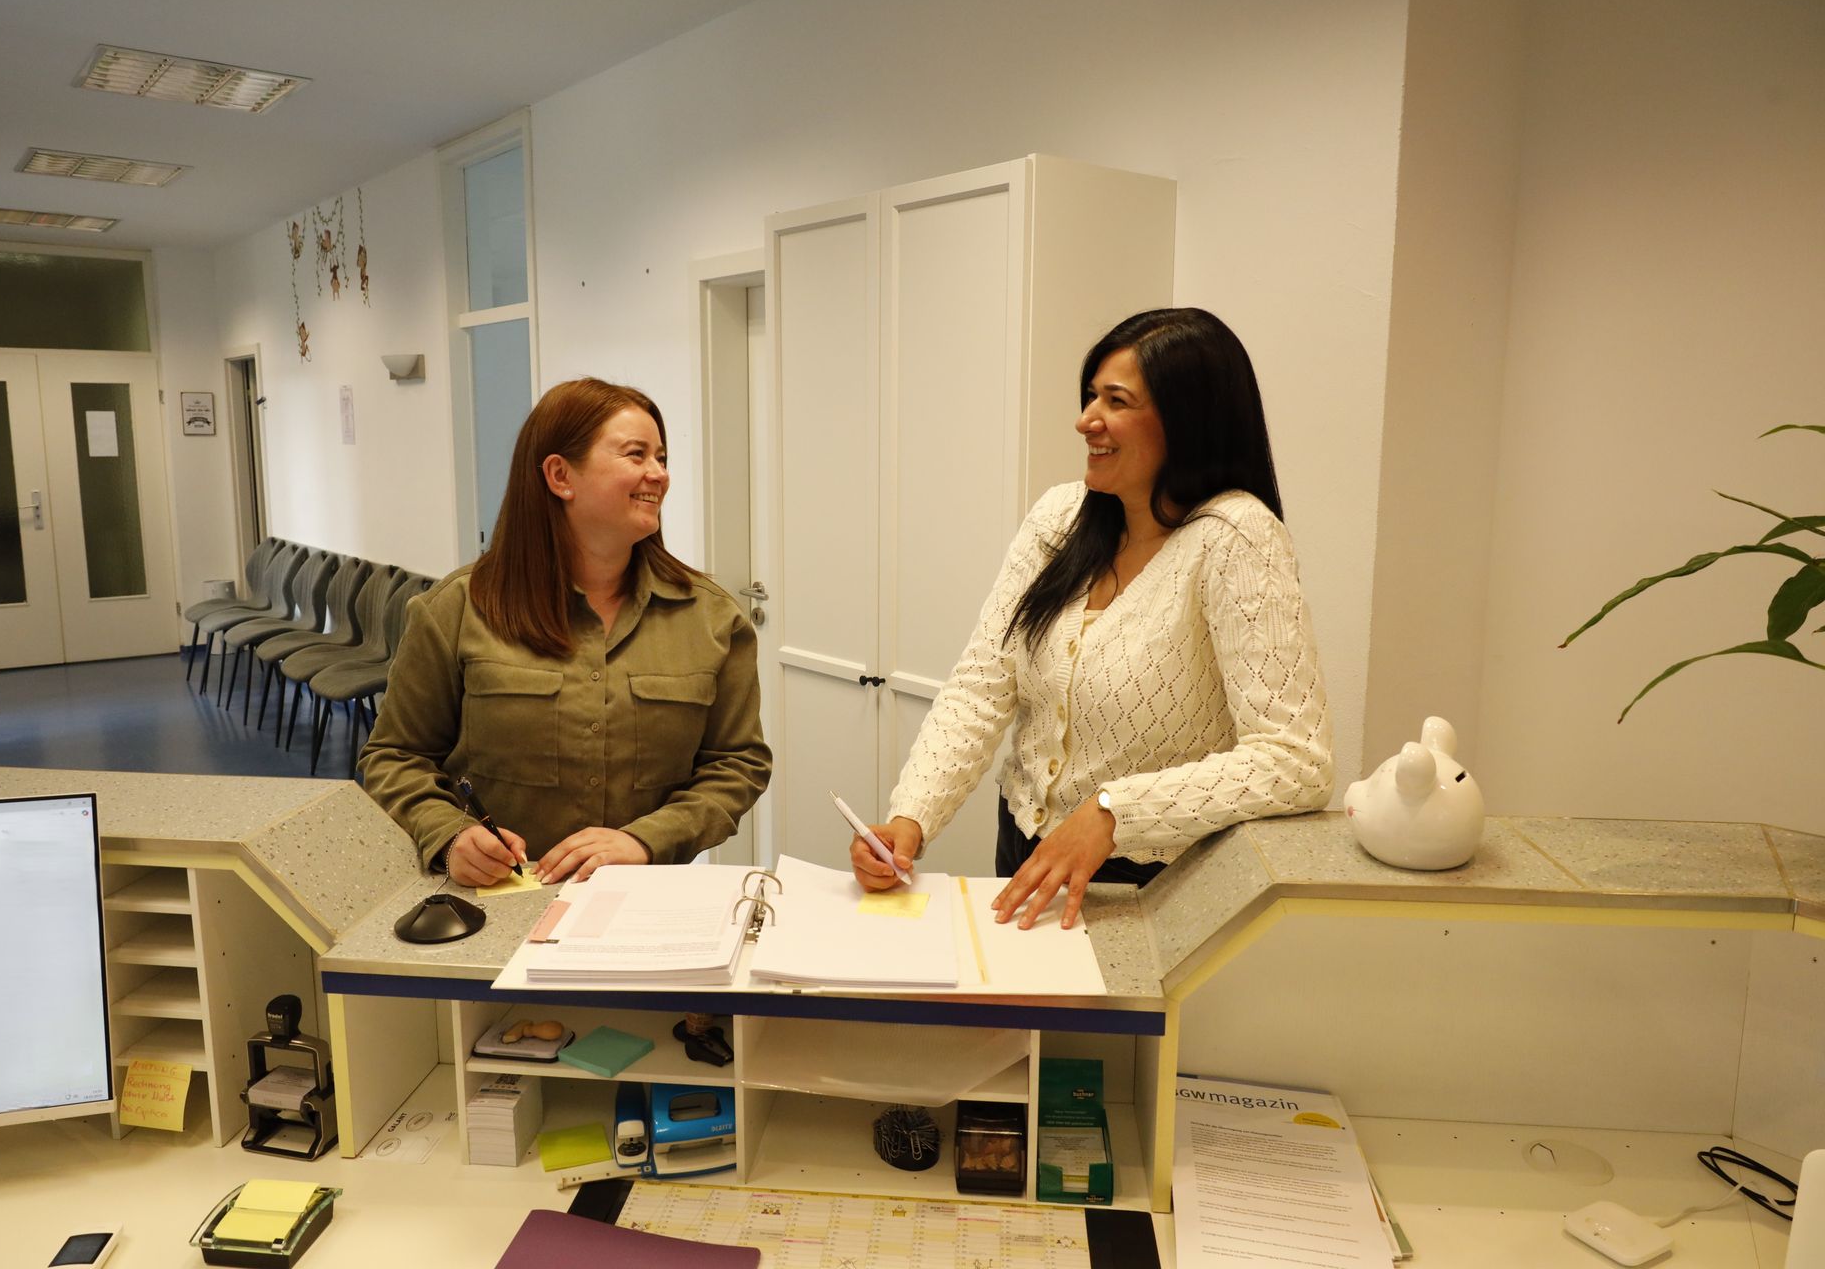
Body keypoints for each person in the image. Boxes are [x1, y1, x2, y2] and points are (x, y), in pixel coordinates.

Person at [849, 308, 1333, 928]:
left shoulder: (1237, 537)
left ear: (1188, 419)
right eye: (1089, 396)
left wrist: (1112, 812)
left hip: (1156, 884)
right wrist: (909, 819)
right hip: (1025, 851)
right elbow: (981, 688)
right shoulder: (1063, 516)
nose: (1086, 420)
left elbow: (1295, 760)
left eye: (1116, 400)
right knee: (1024, 1025)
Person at [360, 377, 771, 887]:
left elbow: (737, 763)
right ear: (560, 475)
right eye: (636, 455)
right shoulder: (459, 610)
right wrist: (448, 835)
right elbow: (395, 755)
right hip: (498, 899)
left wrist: (647, 839)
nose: (659, 475)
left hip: (645, 904)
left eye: (661, 458)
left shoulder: (710, 619)